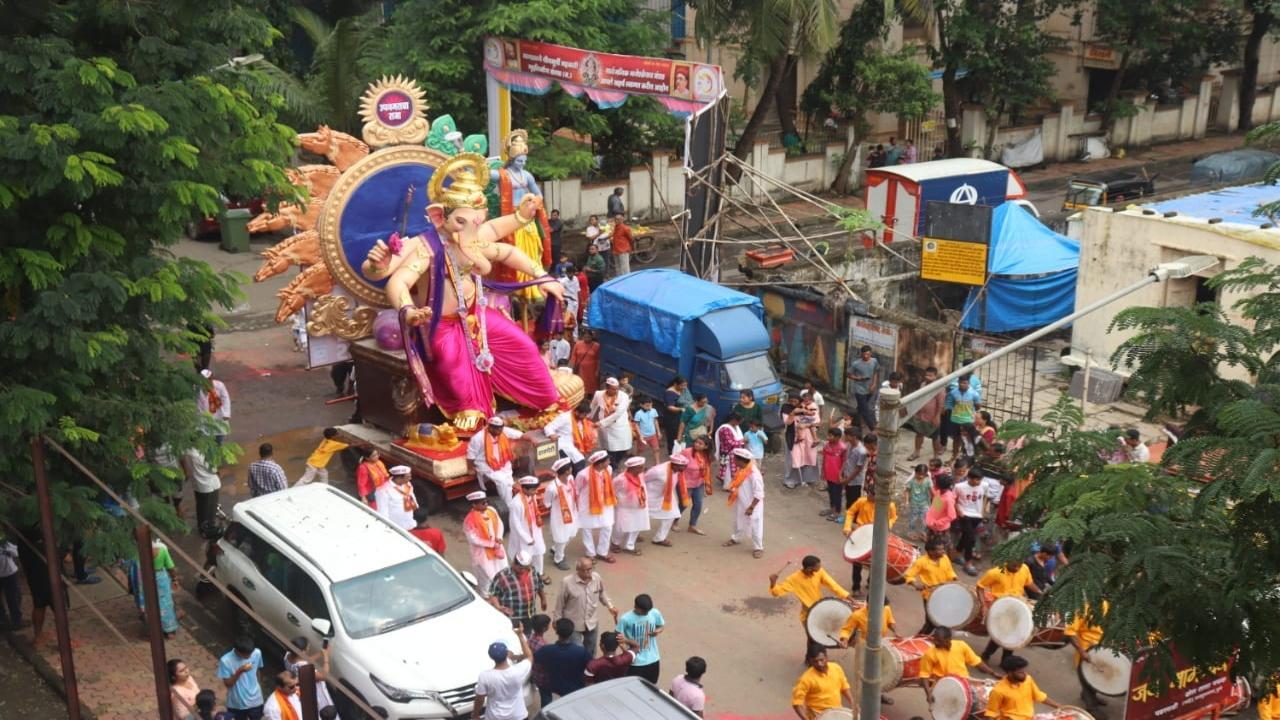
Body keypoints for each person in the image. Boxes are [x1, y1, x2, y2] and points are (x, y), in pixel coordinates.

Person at [360, 151, 565, 430]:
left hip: (477, 317)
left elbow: (504, 249)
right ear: (438, 217)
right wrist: (406, 308)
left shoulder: (474, 236)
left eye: (476, 221)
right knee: (453, 363)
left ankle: (542, 398)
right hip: (441, 325)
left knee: (524, 345)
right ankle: (470, 409)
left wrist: (541, 275)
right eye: (461, 222)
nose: (470, 229)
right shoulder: (426, 247)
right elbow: (394, 279)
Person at [769, 556, 851, 643]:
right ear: (809, 568)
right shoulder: (793, 579)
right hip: (808, 613)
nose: (820, 568)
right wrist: (772, 582)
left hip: (821, 608)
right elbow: (776, 592)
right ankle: (814, 655)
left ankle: (817, 655)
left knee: (822, 635)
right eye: (817, 567)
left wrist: (847, 596)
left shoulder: (820, 572)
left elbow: (833, 585)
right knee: (813, 638)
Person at [977, 561, 1044, 664]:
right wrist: (983, 605)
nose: (1017, 568)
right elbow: (980, 587)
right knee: (1003, 633)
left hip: (1019, 606)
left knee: (1014, 634)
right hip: (1001, 608)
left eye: (1019, 565)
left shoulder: (1024, 568)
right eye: (1014, 565)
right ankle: (987, 655)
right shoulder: (994, 572)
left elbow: (1029, 583)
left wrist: (1040, 592)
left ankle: (1003, 660)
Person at [555, 556, 619, 658]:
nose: (588, 573)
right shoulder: (567, 582)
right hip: (574, 623)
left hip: (592, 621)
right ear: (577, 570)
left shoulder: (597, 577)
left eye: (590, 569)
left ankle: (590, 670)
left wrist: (610, 606)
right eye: (584, 570)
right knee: (577, 652)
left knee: (591, 650)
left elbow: (602, 593)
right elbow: (560, 603)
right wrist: (557, 621)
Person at [467, 416, 531, 517]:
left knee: (510, 483)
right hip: (486, 465)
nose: (500, 430)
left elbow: (520, 435)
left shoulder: (503, 431)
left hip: (503, 462)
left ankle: (514, 503)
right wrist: (470, 469)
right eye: (497, 428)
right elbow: (470, 455)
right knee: (502, 482)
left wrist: (532, 440)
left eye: (501, 428)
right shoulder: (478, 438)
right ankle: (509, 508)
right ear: (490, 427)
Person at [841, 485, 896, 593]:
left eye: (873, 496)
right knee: (857, 563)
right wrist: (847, 527)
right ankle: (856, 587)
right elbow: (850, 512)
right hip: (861, 533)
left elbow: (893, 517)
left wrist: (887, 526)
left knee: (876, 562)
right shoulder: (861, 501)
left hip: (878, 535)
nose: (870, 497)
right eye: (870, 494)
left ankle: (871, 583)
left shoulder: (889, 505)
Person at [920, 627, 999, 698]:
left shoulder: (961, 645)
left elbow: (977, 662)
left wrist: (993, 673)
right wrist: (929, 694)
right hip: (943, 685)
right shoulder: (929, 654)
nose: (935, 642)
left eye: (939, 641)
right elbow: (924, 676)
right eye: (935, 639)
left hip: (964, 683)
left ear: (948, 640)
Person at [473, 630, 533, 720]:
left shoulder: (484, 676)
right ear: (507, 654)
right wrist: (520, 635)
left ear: (491, 656)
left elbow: (480, 699)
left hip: (495, 717)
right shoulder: (518, 670)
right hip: (518, 716)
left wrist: (475, 715)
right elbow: (529, 656)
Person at [904, 539, 958, 636]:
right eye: (940, 550)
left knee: (943, 619)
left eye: (943, 549)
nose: (943, 551)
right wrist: (916, 584)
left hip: (945, 594)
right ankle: (917, 640)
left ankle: (935, 639)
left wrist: (954, 579)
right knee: (930, 622)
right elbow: (909, 575)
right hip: (930, 596)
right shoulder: (921, 562)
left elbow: (950, 571)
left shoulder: (944, 558)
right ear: (931, 552)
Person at [533, 618, 591, 706]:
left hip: (555, 688)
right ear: (572, 633)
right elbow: (591, 667)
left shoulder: (546, 650)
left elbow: (533, 659)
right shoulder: (581, 652)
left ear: (556, 632)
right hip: (576, 690)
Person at [984, 655, 1061, 720]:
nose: (1024, 674)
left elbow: (1039, 696)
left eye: (1024, 671)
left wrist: (1059, 706)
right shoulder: (998, 691)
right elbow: (991, 713)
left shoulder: (1028, 679)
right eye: (1020, 672)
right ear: (1010, 673)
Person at [130, 539, 180, 638]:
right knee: (165, 603)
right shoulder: (162, 550)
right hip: (161, 579)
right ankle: (169, 630)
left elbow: (133, 571)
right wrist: (175, 579)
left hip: (145, 579)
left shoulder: (137, 553)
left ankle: (152, 630)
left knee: (148, 604)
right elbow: (171, 567)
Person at [463, 491, 508, 597]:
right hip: (482, 553)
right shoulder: (469, 520)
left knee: (502, 570)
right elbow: (473, 539)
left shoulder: (491, 511)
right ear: (474, 505)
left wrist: (499, 537)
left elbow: (500, 523)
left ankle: (500, 592)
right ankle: (485, 596)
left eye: (486, 501)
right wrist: (491, 544)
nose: (486, 504)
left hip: (497, 548)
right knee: (486, 577)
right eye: (483, 503)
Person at [1064, 603, 1108, 712]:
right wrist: (1081, 651)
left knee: (1096, 677)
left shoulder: (1108, 603)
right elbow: (1070, 632)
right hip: (1087, 649)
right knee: (1087, 679)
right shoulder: (1083, 607)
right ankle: (1092, 708)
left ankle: (1088, 696)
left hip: (1103, 649)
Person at [575, 451, 617, 563]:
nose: (609, 462)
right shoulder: (583, 474)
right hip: (588, 505)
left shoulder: (609, 469)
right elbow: (577, 490)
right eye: (607, 460)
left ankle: (602, 552)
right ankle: (590, 553)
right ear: (599, 464)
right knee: (587, 528)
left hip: (606, 504)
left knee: (607, 526)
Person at [791, 645, 854, 720]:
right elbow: (796, 703)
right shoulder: (805, 679)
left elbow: (844, 686)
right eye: (815, 661)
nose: (819, 664)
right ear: (810, 661)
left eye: (821, 660)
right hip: (818, 715)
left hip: (837, 711)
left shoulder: (836, 668)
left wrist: (852, 702)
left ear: (827, 657)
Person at [723, 447, 765, 558]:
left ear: (741, 460)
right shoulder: (741, 469)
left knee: (755, 525)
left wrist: (751, 507)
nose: (734, 461)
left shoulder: (754, 474)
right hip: (740, 501)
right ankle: (736, 538)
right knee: (737, 521)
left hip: (752, 505)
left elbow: (759, 494)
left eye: (735, 459)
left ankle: (758, 547)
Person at [488, 551, 548, 630]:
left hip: (530, 614)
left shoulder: (532, 571)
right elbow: (493, 593)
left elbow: (539, 585)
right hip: (512, 617)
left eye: (526, 568)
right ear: (514, 563)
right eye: (521, 568)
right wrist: (498, 607)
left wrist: (543, 599)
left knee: (528, 636)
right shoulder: (502, 576)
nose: (523, 570)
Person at [618, 593, 665, 683]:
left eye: (648, 611)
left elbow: (661, 626)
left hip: (653, 659)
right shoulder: (625, 619)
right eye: (644, 612)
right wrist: (626, 653)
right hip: (636, 662)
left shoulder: (654, 613)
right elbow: (619, 638)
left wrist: (657, 631)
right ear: (636, 607)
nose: (647, 613)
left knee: (652, 686)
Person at [283, 637, 337, 716]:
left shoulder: (288, 655)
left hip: (304, 687)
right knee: (325, 711)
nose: (308, 649)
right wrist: (326, 657)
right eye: (308, 648)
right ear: (303, 651)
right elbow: (323, 676)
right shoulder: (304, 668)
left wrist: (320, 653)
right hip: (316, 691)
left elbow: (303, 660)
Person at [644, 454, 688, 548]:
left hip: (666, 497)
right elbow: (644, 479)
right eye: (682, 467)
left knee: (671, 515)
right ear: (675, 465)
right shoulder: (658, 471)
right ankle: (630, 536)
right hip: (650, 496)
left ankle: (659, 538)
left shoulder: (678, 470)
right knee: (640, 516)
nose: (684, 469)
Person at [544, 459, 580, 570]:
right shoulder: (552, 488)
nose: (571, 469)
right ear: (566, 471)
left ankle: (556, 548)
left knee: (572, 534)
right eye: (570, 468)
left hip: (572, 513)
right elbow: (547, 503)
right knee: (561, 538)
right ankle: (558, 558)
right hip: (560, 517)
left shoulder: (570, 478)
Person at [610, 457, 651, 554]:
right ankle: (615, 543)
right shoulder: (620, 479)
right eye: (640, 467)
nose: (642, 469)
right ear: (632, 468)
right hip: (624, 508)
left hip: (640, 506)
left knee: (637, 525)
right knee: (620, 527)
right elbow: (612, 491)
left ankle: (629, 546)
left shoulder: (640, 475)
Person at [218, 636, 265, 720]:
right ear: (237, 651)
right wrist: (240, 671)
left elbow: (257, 670)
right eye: (247, 654)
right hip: (237, 703)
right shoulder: (225, 660)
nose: (250, 656)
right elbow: (228, 684)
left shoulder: (257, 653)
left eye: (251, 653)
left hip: (256, 700)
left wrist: (259, 686)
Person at [592, 377, 633, 469]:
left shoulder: (623, 396)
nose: (616, 391)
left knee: (623, 448)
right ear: (607, 388)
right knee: (609, 449)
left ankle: (615, 462)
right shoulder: (599, 394)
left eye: (617, 388)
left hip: (619, 426)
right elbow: (593, 406)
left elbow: (619, 413)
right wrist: (588, 419)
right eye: (613, 389)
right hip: (605, 428)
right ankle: (612, 466)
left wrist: (601, 423)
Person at [180, 447, 223, 536]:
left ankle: (202, 527)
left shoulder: (186, 452)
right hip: (209, 485)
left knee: (201, 507)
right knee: (210, 508)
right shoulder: (200, 455)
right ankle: (209, 528)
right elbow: (213, 469)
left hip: (197, 484)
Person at [954, 468, 988, 575]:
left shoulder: (984, 485)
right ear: (969, 478)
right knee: (971, 538)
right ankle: (968, 563)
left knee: (966, 535)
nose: (977, 482)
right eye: (975, 480)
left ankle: (957, 554)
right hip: (965, 514)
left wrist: (983, 511)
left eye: (979, 480)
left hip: (977, 515)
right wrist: (959, 511)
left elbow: (985, 497)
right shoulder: (959, 486)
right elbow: (953, 499)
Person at [545, 401, 594, 474]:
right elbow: (548, 427)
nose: (585, 417)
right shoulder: (564, 417)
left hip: (575, 446)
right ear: (577, 412)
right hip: (563, 446)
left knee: (578, 462)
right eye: (584, 415)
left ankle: (574, 481)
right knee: (579, 462)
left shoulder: (581, 420)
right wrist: (551, 434)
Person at [909, 366, 945, 461]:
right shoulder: (923, 384)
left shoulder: (939, 387)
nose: (927, 377)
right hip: (921, 415)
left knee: (935, 437)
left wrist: (937, 416)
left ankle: (936, 456)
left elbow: (940, 404)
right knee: (919, 434)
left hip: (932, 416)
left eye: (930, 375)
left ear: (935, 376)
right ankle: (916, 452)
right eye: (926, 375)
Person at [679, 435, 713, 535]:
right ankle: (674, 521)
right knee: (683, 505)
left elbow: (707, 470)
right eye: (696, 442)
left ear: (706, 447)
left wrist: (707, 483)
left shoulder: (707, 456)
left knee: (698, 505)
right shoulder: (687, 452)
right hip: (686, 483)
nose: (696, 444)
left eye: (700, 443)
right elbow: (676, 462)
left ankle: (692, 526)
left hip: (699, 483)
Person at [785, 391, 820, 487]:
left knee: (809, 457)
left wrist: (807, 425)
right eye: (791, 401)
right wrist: (794, 413)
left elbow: (816, 422)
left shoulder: (813, 407)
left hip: (809, 436)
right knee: (795, 459)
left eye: (795, 401)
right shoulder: (786, 408)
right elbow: (787, 422)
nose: (793, 403)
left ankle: (809, 479)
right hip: (795, 437)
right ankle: (792, 481)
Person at [946, 375, 982, 458]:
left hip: (968, 421)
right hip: (955, 420)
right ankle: (954, 457)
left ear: (968, 383)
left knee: (968, 440)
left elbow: (978, 405)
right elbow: (949, 404)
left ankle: (968, 457)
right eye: (960, 382)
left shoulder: (974, 393)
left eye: (964, 383)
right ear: (958, 383)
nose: (962, 384)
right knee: (956, 439)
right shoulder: (953, 392)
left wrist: (971, 413)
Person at [374, 465, 418, 531]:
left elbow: (411, 495)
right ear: (399, 478)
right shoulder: (383, 490)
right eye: (408, 477)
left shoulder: (408, 484)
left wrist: (416, 506)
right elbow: (382, 512)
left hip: (409, 523)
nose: (410, 478)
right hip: (396, 526)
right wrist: (386, 528)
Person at [848, 346, 880, 433]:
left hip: (869, 390)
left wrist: (874, 384)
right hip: (859, 390)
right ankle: (873, 429)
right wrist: (858, 378)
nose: (866, 356)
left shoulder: (874, 361)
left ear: (871, 354)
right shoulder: (856, 364)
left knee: (861, 408)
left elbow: (875, 372)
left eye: (868, 354)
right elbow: (849, 375)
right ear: (861, 354)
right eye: (864, 354)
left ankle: (855, 424)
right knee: (866, 410)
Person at [820, 428, 849, 520]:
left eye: (830, 436)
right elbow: (824, 459)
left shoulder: (843, 448)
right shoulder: (827, 446)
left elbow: (845, 462)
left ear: (837, 437)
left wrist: (842, 475)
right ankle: (832, 508)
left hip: (838, 476)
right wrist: (822, 471)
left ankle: (837, 512)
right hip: (828, 473)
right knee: (831, 492)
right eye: (828, 435)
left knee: (837, 493)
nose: (828, 437)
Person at [200, 368, 232, 444]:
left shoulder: (219, 385)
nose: (209, 380)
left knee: (219, 435)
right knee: (205, 438)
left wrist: (226, 413)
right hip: (205, 416)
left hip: (219, 415)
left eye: (210, 378)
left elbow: (226, 398)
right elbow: (198, 403)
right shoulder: (198, 388)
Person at [714, 413, 746, 488]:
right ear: (734, 420)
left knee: (731, 469)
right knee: (728, 470)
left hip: (735, 452)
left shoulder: (736, 426)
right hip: (727, 453)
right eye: (739, 421)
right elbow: (729, 442)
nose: (740, 423)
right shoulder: (725, 429)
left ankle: (732, 483)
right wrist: (742, 441)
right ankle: (728, 486)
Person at [661, 376, 691, 454]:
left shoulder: (683, 390)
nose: (684, 387)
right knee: (673, 435)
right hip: (672, 418)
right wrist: (680, 409)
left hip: (681, 417)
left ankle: (680, 451)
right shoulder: (669, 393)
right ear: (675, 384)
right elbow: (670, 407)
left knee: (681, 434)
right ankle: (672, 452)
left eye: (685, 385)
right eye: (682, 385)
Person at [840, 432, 868, 509]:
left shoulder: (862, 451)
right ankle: (849, 516)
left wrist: (848, 480)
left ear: (854, 437)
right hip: (847, 476)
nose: (845, 437)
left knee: (854, 500)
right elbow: (846, 460)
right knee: (848, 498)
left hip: (855, 479)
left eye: (847, 436)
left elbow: (858, 468)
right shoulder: (849, 445)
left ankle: (853, 518)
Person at [905, 463, 933, 541]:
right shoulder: (912, 482)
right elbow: (907, 491)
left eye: (922, 475)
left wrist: (937, 504)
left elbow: (932, 492)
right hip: (914, 504)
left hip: (925, 504)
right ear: (915, 472)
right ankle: (911, 532)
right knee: (913, 519)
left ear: (926, 474)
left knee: (924, 520)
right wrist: (906, 501)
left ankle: (922, 533)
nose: (920, 476)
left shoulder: (928, 481)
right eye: (919, 474)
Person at [570, 329, 601, 396]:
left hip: (591, 370)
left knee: (591, 384)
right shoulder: (578, 344)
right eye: (585, 337)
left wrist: (597, 370)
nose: (586, 339)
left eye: (588, 337)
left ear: (592, 337)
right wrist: (572, 367)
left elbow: (599, 359)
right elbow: (574, 355)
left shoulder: (596, 346)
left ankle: (590, 397)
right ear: (583, 337)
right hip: (580, 369)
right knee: (580, 382)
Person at [0, 537, 21, 632]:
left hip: (9, 573)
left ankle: (16, 621)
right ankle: (2, 621)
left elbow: (16, 552)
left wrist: (7, 550)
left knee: (13, 598)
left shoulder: (3, 541)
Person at [633, 396, 661, 464]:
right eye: (647, 406)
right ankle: (637, 462)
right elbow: (636, 424)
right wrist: (640, 435)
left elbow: (655, 421)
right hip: (643, 436)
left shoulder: (653, 410)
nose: (649, 407)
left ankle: (657, 463)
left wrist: (659, 432)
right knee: (640, 450)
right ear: (641, 405)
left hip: (653, 434)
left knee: (656, 449)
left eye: (651, 405)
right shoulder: (638, 413)